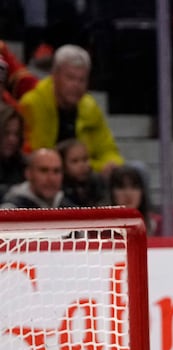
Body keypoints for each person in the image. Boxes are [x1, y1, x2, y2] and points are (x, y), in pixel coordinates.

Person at [17, 45, 123, 174]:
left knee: (135, 170)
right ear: (55, 76)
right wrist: (79, 166)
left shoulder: (90, 107)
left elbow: (108, 151)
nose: (76, 85)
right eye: (70, 78)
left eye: (81, 80)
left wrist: (109, 164)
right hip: (47, 175)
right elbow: (35, 156)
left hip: (85, 175)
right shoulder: (32, 104)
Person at [1, 147, 68, 208]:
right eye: (44, 170)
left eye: (56, 171)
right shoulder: (10, 209)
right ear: (28, 173)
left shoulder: (67, 204)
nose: (51, 178)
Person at [108, 164, 162, 235]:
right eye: (121, 187)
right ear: (112, 193)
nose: (128, 193)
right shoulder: (100, 227)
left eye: (134, 187)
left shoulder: (157, 225)